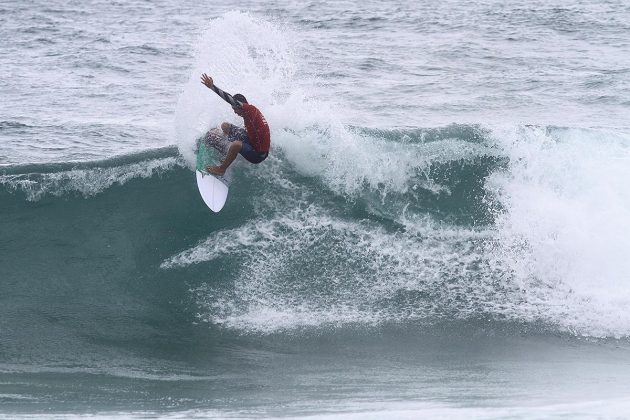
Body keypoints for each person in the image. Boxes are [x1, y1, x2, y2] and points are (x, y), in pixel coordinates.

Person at [200, 73, 270, 176]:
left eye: (235, 108)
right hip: (252, 142)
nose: (234, 112)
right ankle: (225, 152)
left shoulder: (249, 110)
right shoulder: (250, 113)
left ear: (240, 106)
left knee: (236, 145)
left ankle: (221, 169)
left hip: (258, 154)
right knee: (225, 126)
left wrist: (212, 87)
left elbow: (229, 99)